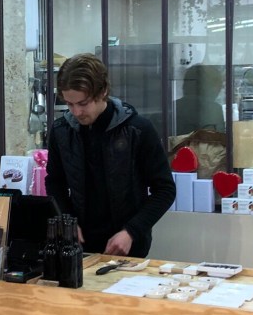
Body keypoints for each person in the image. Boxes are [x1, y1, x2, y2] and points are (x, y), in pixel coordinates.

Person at [46, 53, 175, 258]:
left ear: (103, 91)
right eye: (70, 104)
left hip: (129, 246)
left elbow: (165, 190)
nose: (76, 112)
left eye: (83, 103)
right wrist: (67, 221)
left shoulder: (138, 130)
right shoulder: (61, 131)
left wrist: (131, 231)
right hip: (78, 246)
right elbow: (55, 182)